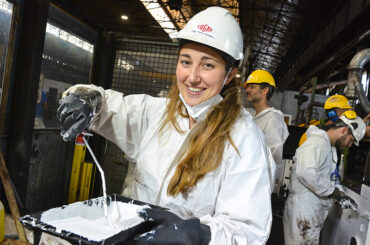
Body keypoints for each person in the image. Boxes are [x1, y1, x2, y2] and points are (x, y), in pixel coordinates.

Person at [57, 6, 275, 245]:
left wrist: (195, 235)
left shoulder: (243, 138)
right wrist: (87, 99)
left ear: (230, 74)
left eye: (207, 65)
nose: (192, 77)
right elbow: (109, 106)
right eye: (185, 61)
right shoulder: (159, 114)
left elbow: (247, 232)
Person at [283, 110, 366, 245]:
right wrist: (333, 192)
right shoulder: (318, 142)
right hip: (303, 211)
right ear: (344, 130)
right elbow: (306, 172)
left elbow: (323, 176)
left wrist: (339, 193)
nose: (350, 145)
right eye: (351, 140)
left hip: (307, 213)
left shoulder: (327, 146)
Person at [243, 69, 289, 193]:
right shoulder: (252, 116)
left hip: (256, 186)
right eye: (247, 87)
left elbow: (273, 157)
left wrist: (264, 189)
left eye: (252, 87)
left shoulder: (273, 119)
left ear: (265, 90)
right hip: (244, 180)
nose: (247, 90)